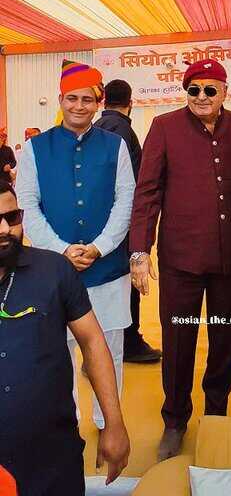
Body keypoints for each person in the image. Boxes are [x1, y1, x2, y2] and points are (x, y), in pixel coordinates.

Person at [129, 59, 231, 461]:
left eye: (210, 89)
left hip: (230, 259)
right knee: (179, 340)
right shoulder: (164, 127)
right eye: (193, 90)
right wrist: (140, 251)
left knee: (226, 338)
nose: (201, 97)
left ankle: (216, 413)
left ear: (225, 92)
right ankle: (175, 420)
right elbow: (147, 193)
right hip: (181, 259)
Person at [16, 59, 135, 431]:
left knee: (110, 350)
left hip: (108, 269)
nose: (79, 106)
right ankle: (67, 423)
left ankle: (107, 421)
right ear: (60, 100)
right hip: (53, 270)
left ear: (99, 103)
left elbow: (125, 200)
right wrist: (60, 250)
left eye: (87, 99)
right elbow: (27, 204)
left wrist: (100, 247)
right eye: (72, 98)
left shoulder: (115, 146)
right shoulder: (35, 148)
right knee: (60, 352)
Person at [0, 180, 130, 495]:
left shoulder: (54, 270)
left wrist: (113, 423)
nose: (5, 229)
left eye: (12, 217)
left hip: (52, 459)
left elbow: (93, 342)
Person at [95, 79, 161, 364]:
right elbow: (132, 182)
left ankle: (101, 346)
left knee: (106, 284)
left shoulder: (96, 127)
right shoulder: (122, 130)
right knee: (127, 280)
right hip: (121, 221)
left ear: (103, 100)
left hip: (101, 220)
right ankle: (130, 341)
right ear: (130, 102)